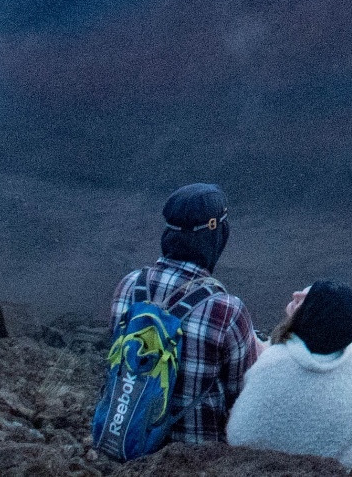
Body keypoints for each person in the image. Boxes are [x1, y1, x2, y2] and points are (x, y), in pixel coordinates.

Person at [108, 183, 260, 446]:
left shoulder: (130, 285)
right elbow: (244, 397)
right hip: (200, 459)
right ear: (216, 236)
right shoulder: (226, 310)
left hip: (131, 447)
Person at [226, 280, 352, 465]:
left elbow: (239, 435)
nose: (296, 294)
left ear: (314, 317)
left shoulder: (273, 365)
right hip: (347, 467)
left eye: (306, 299)